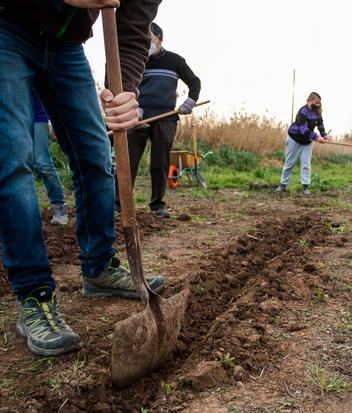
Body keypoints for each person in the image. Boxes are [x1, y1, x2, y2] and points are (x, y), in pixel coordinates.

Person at [0, 0, 164, 357]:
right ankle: (34, 295)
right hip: (8, 25)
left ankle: (99, 266)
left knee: (95, 156)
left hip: (66, 45)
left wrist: (125, 93)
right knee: (13, 161)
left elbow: (133, 30)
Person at [121, 22, 202, 219]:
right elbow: (123, 86)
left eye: (148, 38)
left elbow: (194, 82)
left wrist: (189, 103)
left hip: (165, 118)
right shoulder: (135, 61)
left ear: (159, 39)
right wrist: (131, 107)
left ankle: (157, 205)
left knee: (160, 162)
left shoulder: (175, 61)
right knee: (128, 162)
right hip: (137, 118)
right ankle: (121, 205)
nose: (144, 43)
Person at [275, 92, 328, 195]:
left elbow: (320, 124)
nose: (318, 105)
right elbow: (303, 129)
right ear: (309, 101)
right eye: (316, 102)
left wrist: (324, 135)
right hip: (294, 138)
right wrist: (317, 137)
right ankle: (282, 185)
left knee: (306, 164)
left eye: (319, 103)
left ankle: (305, 187)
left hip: (307, 141)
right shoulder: (302, 112)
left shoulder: (318, 112)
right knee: (290, 163)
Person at [32, 93, 69, 225]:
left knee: (43, 163)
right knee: (20, 166)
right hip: (14, 118)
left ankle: (59, 205)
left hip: (37, 116)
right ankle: (28, 214)